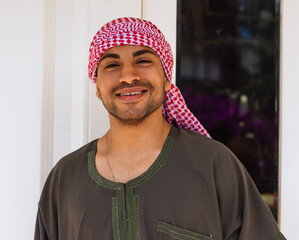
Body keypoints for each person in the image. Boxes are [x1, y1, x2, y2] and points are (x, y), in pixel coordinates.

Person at [35, 17, 286, 240]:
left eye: (143, 61)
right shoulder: (65, 179)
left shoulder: (213, 165)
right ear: (97, 86)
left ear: (166, 79)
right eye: (111, 65)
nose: (128, 76)